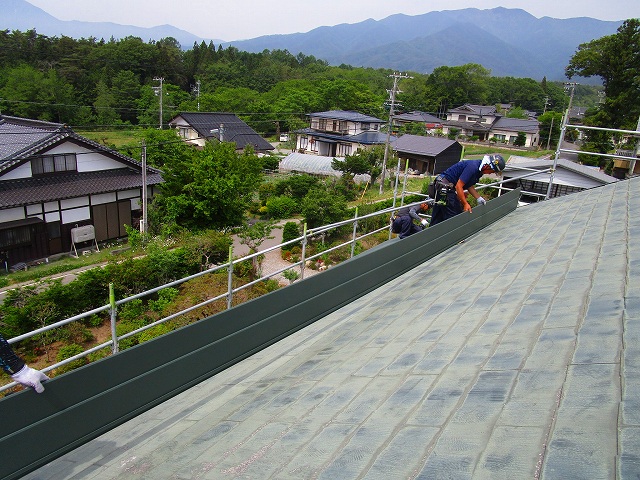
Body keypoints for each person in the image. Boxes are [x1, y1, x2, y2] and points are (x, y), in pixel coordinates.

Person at [429, 154, 505, 226]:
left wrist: (478, 198)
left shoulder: (478, 171)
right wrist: (465, 203)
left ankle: (431, 237)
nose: (489, 174)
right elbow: (459, 186)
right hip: (444, 188)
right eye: (491, 171)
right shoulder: (473, 167)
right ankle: (455, 238)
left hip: (443, 187)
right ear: (487, 166)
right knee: (455, 216)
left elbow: (469, 185)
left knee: (438, 217)